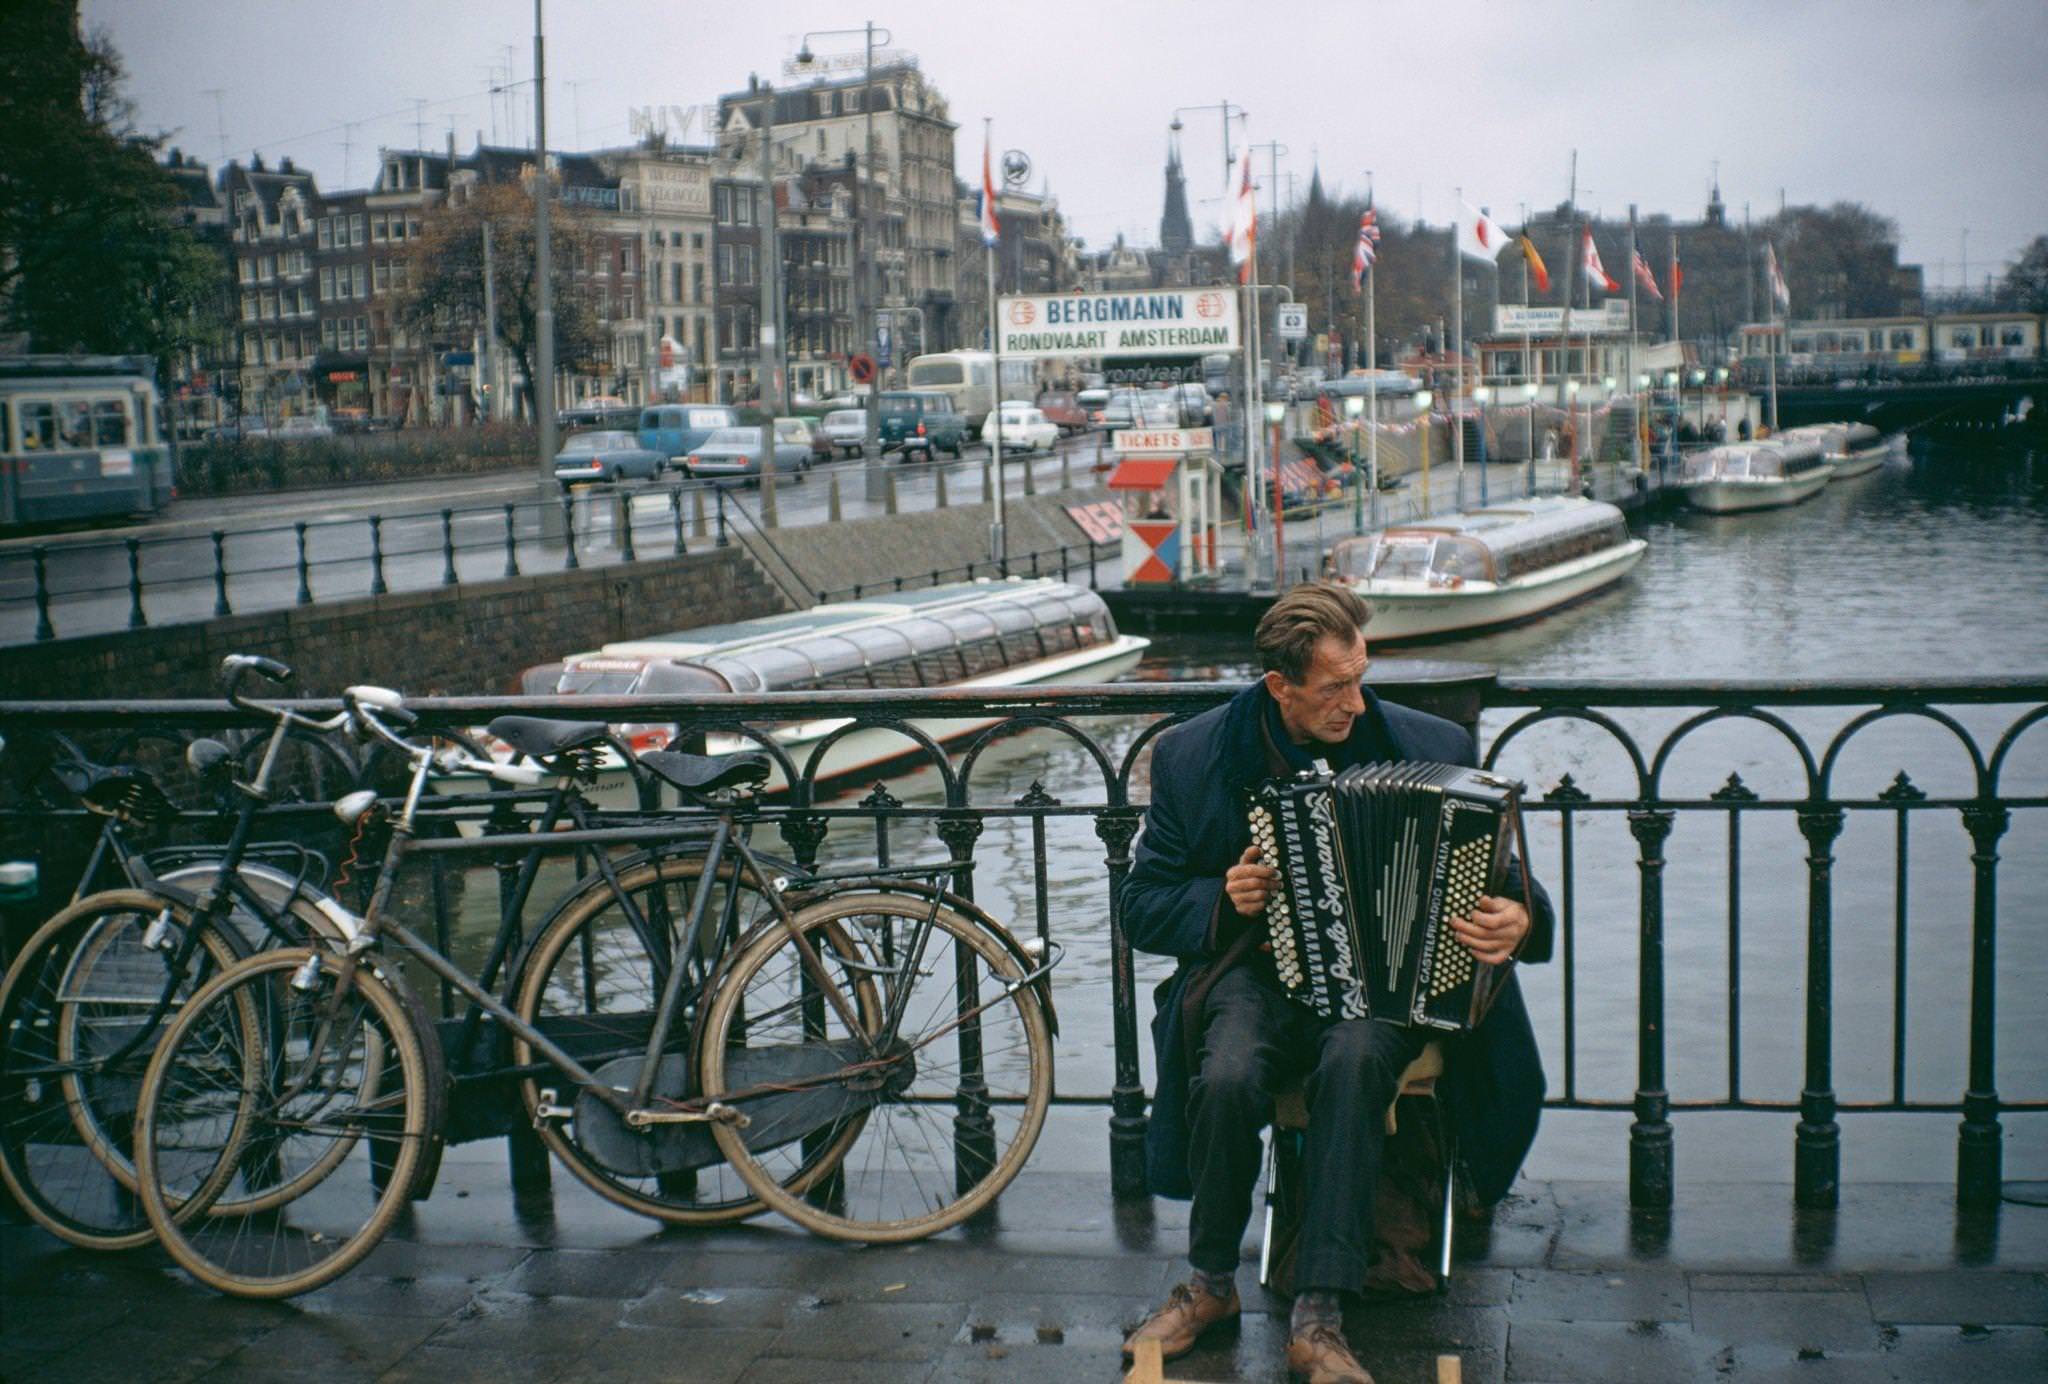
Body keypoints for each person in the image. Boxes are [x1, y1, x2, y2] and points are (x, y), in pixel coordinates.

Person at [1120, 582, 1553, 1384]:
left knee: (1354, 1064)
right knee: (1225, 1071)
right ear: (1280, 686)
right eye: (1334, 687)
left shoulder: (1432, 745)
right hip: (1253, 972)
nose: (1356, 702)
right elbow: (1141, 906)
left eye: (1361, 677)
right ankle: (1211, 1283)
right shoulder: (1192, 754)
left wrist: (1521, 919)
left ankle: (1320, 1314)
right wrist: (1221, 897)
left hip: (1385, 985)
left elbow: (1512, 880)